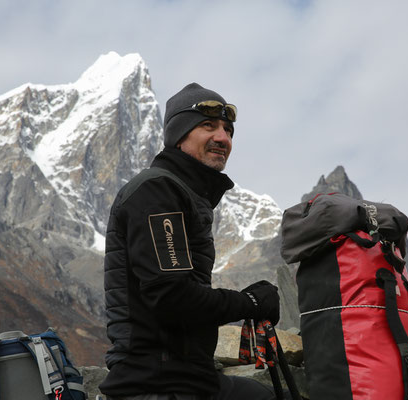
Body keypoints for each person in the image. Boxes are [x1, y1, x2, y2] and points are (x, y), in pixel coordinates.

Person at [99, 83, 281, 400]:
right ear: (179, 135)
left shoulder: (182, 194)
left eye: (228, 129)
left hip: (188, 378)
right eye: (208, 126)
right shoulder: (156, 192)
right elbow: (171, 295)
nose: (223, 138)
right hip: (154, 384)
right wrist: (249, 303)